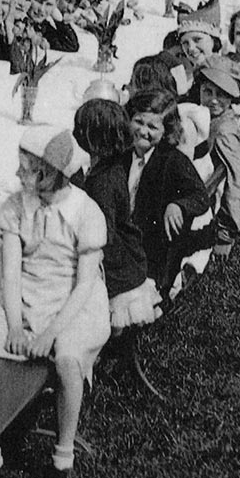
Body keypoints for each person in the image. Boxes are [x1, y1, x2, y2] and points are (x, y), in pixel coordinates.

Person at [0, 126, 108, 478]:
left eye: (26, 169)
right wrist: (15, 325)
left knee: (68, 359)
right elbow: (11, 275)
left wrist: (49, 334)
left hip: (74, 299)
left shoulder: (85, 212)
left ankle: (63, 453)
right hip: (25, 293)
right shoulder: (15, 206)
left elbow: (85, 283)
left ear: (50, 174)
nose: (17, 175)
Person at [72, 99, 161, 334]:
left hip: (116, 263)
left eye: (79, 130)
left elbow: (104, 233)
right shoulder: (110, 165)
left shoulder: (104, 183)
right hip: (125, 251)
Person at [123, 89, 212, 294]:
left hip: (151, 243)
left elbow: (200, 196)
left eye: (152, 127)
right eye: (138, 122)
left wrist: (178, 205)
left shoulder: (172, 160)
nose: (143, 131)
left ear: (166, 131)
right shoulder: (125, 152)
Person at [197, 66, 240, 258]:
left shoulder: (223, 132)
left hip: (207, 187)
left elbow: (238, 175)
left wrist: (230, 226)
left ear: (230, 99)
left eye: (221, 95)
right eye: (207, 92)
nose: (213, 100)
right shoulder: (215, 117)